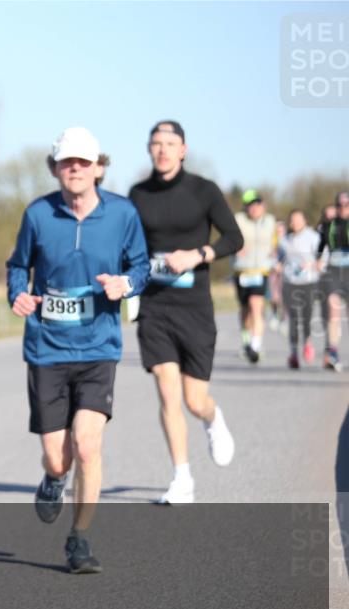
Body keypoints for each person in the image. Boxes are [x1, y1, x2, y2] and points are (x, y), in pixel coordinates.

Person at [6, 127, 150, 573]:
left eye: (83, 162)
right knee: (58, 455)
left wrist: (126, 284)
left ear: (98, 168)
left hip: (98, 347)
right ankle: (53, 478)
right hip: (47, 347)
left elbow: (141, 265)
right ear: (55, 168)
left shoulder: (123, 214)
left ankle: (80, 538)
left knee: (87, 446)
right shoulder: (38, 214)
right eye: (67, 162)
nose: (75, 169)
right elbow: (17, 266)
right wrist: (18, 294)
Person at [128, 121, 244, 505]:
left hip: (194, 307)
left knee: (195, 400)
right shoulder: (138, 194)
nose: (162, 149)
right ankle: (182, 477)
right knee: (166, 391)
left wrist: (197, 255)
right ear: (149, 149)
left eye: (170, 143)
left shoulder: (204, 190)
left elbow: (233, 238)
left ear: (183, 150)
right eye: (156, 143)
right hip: (155, 306)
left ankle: (212, 419)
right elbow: (129, 245)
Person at [231, 189, 278, 363]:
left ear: (263, 205)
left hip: (261, 270)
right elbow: (228, 238)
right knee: (245, 310)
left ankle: (255, 346)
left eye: (257, 204)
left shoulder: (271, 222)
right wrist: (237, 246)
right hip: (242, 271)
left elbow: (277, 243)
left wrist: (276, 257)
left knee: (256, 305)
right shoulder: (238, 220)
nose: (254, 208)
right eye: (250, 205)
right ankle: (246, 341)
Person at [278, 209, 321, 368]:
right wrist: (277, 265)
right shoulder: (285, 240)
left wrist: (312, 264)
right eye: (292, 220)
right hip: (290, 282)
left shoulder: (314, 237)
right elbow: (279, 258)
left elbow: (322, 258)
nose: (294, 223)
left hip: (308, 283)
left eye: (297, 219)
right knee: (293, 318)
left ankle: (307, 342)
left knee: (307, 316)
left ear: (304, 221)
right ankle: (294, 353)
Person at [318, 191, 349, 372]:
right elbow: (320, 247)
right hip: (335, 271)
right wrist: (316, 262)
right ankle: (333, 352)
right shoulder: (329, 225)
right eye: (339, 205)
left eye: (346, 205)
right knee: (333, 310)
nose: (343, 208)